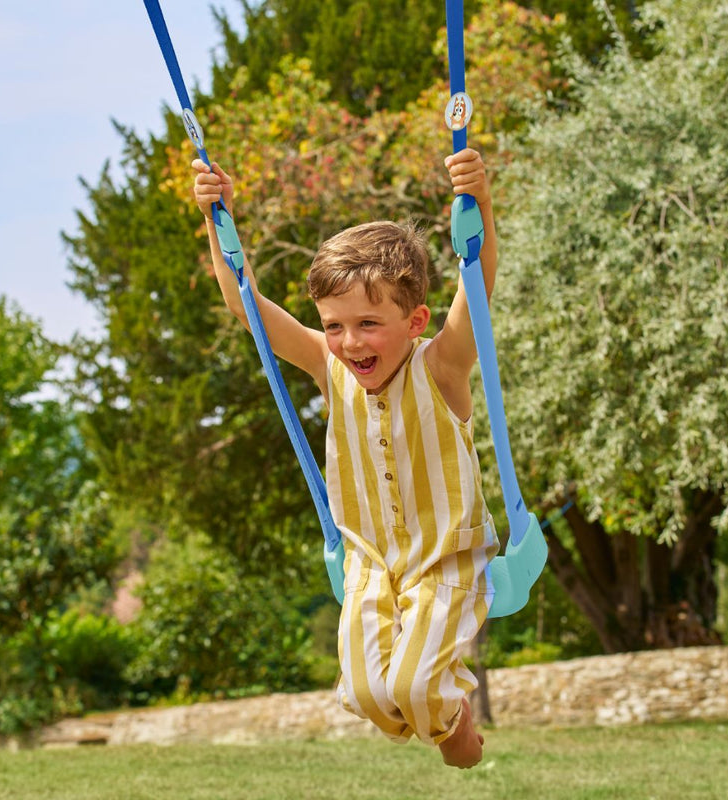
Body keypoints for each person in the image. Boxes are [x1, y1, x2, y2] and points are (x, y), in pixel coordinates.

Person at [192, 148, 499, 769]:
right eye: (334, 325)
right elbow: (246, 306)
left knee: (414, 689)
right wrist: (215, 215)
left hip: (444, 561)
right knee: (365, 696)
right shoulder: (329, 368)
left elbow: (477, 286)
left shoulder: (441, 368)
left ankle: (453, 720)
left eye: (367, 323)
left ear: (415, 321)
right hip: (368, 566)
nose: (350, 342)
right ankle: (441, 711)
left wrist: (479, 202)